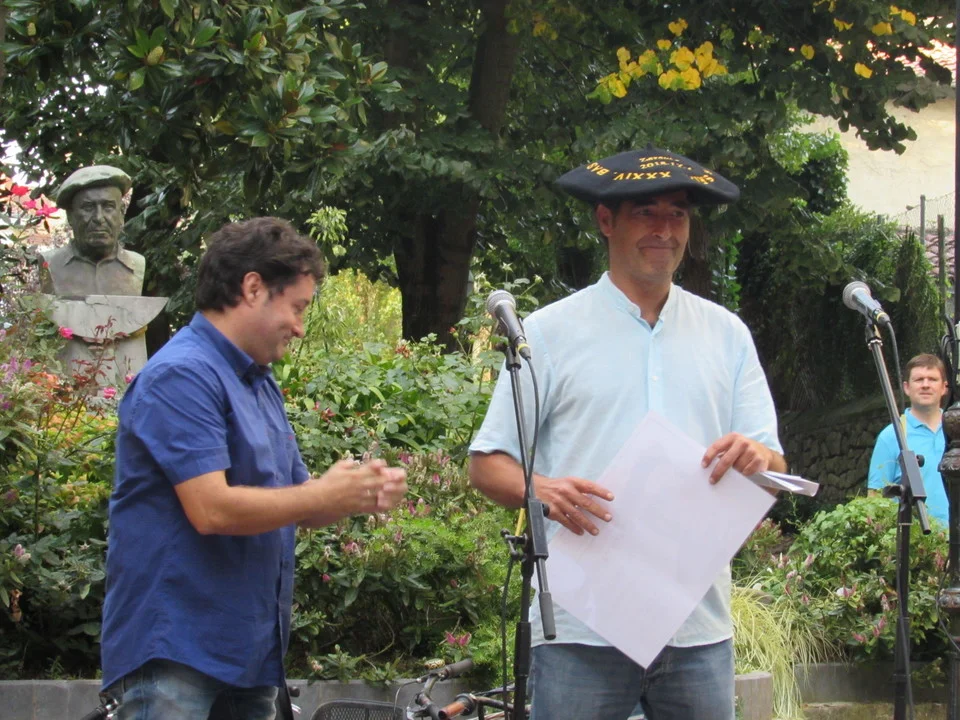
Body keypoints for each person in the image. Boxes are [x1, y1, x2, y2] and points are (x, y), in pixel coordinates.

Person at [468, 148, 787, 720]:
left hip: (697, 626)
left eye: (678, 214)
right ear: (605, 220)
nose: (665, 229)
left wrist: (757, 455)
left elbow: (775, 464)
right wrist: (541, 489)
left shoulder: (727, 334)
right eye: (646, 212)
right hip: (581, 628)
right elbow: (487, 463)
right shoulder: (549, 332)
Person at [100, 217, 409, 720]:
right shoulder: (182, 374)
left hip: (248, 658)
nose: (300, 327)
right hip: (176, 653)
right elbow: (212, 509)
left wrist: (354, 493)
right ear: (252, 288)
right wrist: (321, 495)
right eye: (297, 307)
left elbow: (299, 502)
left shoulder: (258, 382)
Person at [40, 165, 166, 385]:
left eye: (108, 207)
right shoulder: (50, 264)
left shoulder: (137, 265)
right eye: (87, 207)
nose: (99, 218)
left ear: (121, 214)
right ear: (70, 216)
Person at [867, 353, 950, 526]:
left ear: (944, 387)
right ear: (906, 387)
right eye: (919, 380)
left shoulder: (955, 430)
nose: (925, 385)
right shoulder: (892, 436)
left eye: (932, 379)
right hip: (915, 540)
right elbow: (874, 503)